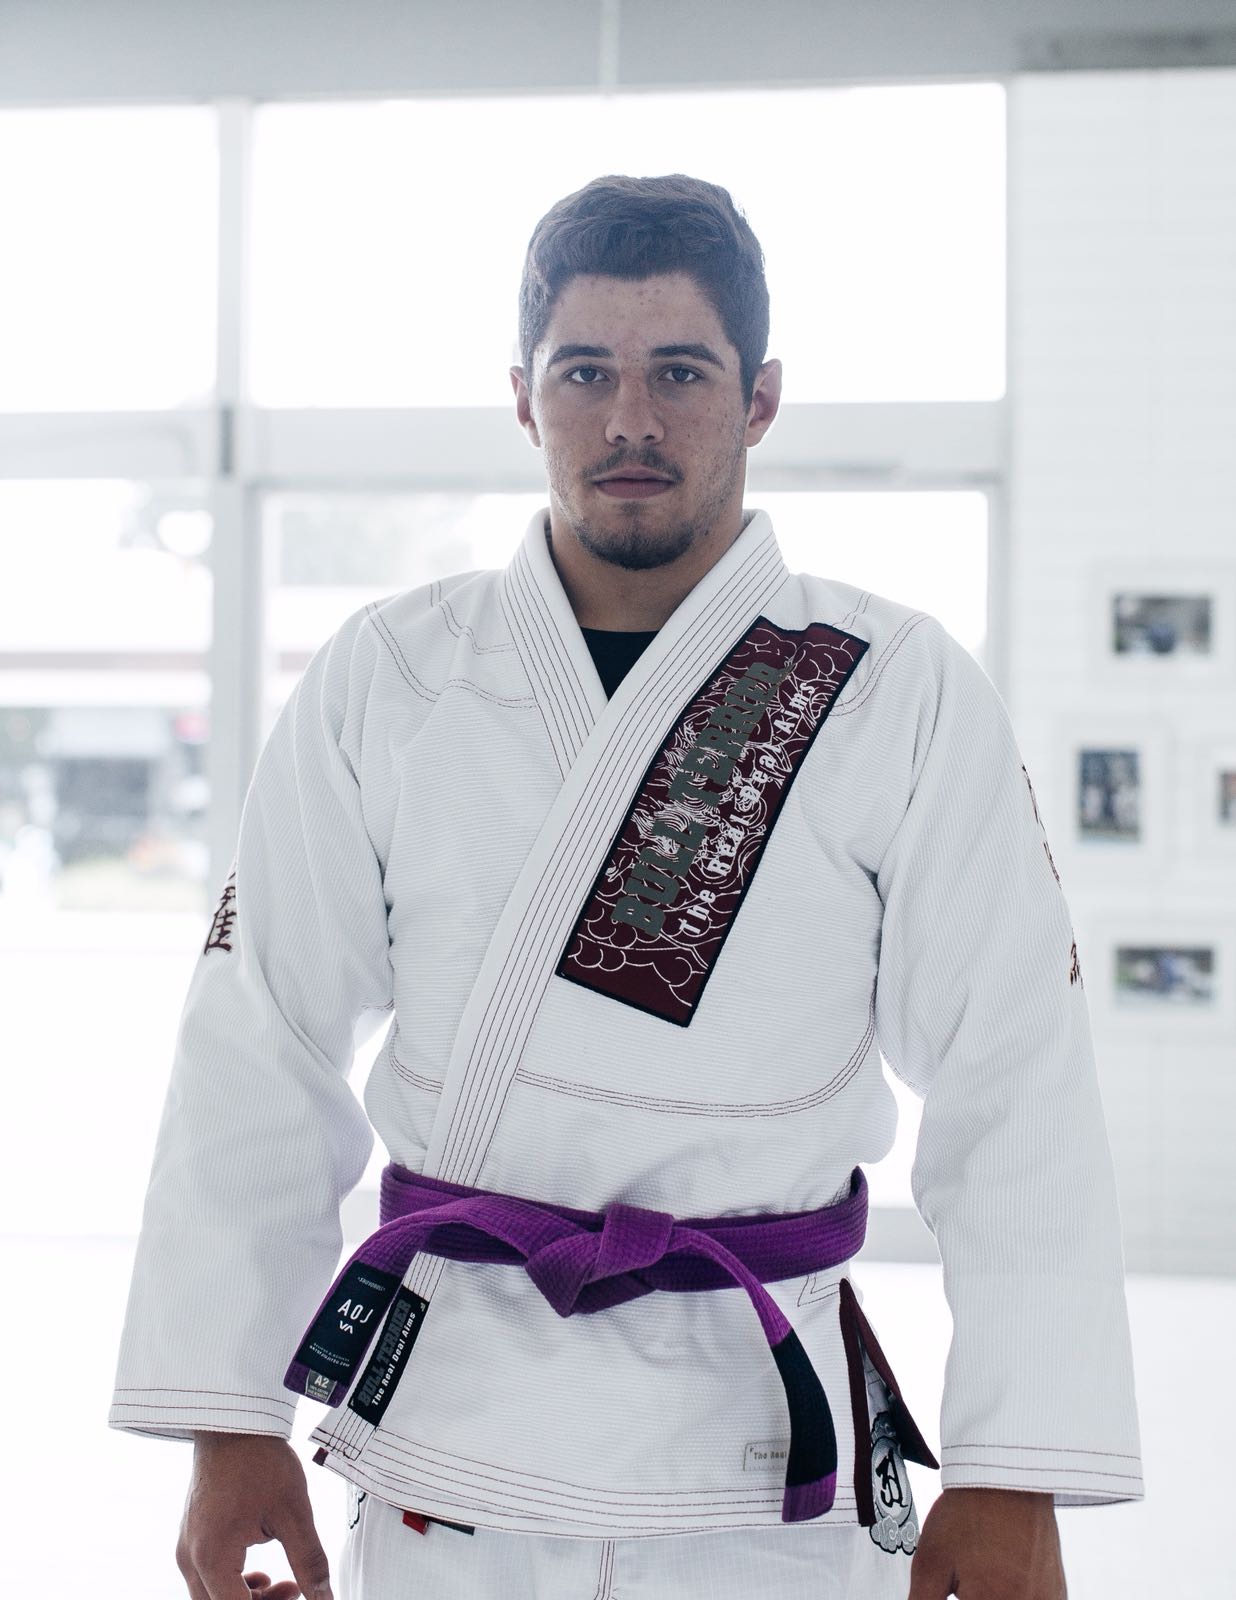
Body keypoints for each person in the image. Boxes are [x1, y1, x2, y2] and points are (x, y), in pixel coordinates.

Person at [110, 174, 1143, 1600]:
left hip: (761, 1450)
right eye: (585, 373)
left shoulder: (889, 687)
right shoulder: (392, 677)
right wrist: (229, 1421)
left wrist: (1015, 1469)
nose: (630, 419)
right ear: (523, 399)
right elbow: (258, 1046)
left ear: (761, 397)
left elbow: (1012, 1073)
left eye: (681, 373)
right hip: (452, 1436)